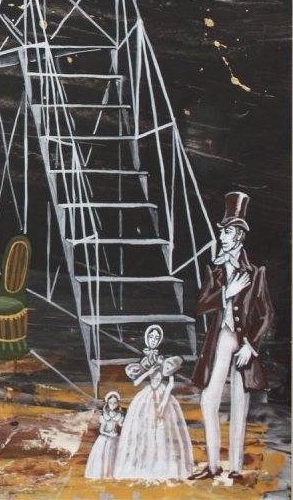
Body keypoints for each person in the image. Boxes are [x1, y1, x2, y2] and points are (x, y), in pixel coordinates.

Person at [188, 191, 274, 480]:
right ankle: (213, 465)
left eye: (226, 231)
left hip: (243, 342)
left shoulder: (255, 272)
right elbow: (200, 305)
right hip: (222, 339)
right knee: (208, 400)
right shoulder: (214, 269)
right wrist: (227, 292)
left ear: (238, 235)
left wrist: (252, 345)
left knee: (240, 403)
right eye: (222, 231)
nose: (222, 236)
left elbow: (266, 314)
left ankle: (235, 468)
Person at [111, 325, 194, 480]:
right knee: (144, 428)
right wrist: (148, 371)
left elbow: (170, 382)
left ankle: (163, 465)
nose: (153, 340)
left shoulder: (163, 360)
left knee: (163, 428)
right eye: (151, 337)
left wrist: (164, 401)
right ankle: (144, 464)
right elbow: (136, 383)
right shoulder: (144, 361)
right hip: (148, 394)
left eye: (156, 338)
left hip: (162, 394)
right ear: (146, 338)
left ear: (160, 340)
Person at [84, 391, 124, 479]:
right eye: (110, 403)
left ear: (117, 403)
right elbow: (101, 430)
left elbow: (121, 426)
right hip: (105, 439)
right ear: (107, 403)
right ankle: (104, 474)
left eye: (114, 403)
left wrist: (122, 424)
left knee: (114, 456)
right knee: (104, 456)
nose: (112, 405)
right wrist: (109, 434)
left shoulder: (119, 415)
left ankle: (112, 474)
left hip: (115, 439)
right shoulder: (104, 415)